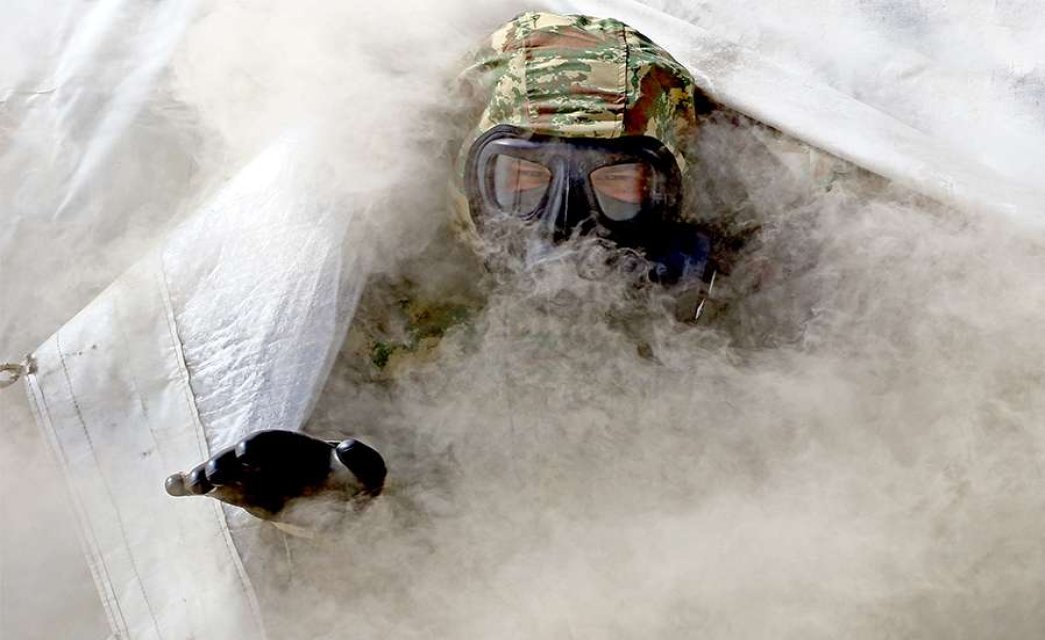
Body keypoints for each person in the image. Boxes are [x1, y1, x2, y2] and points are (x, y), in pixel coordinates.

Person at [164, 11, 722, 526]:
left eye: (617, 185)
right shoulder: (394, 307)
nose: (565, 225)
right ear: (468, 182)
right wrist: (337, 491)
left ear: (670, 193)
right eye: (524, 182)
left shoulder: (731, 304)